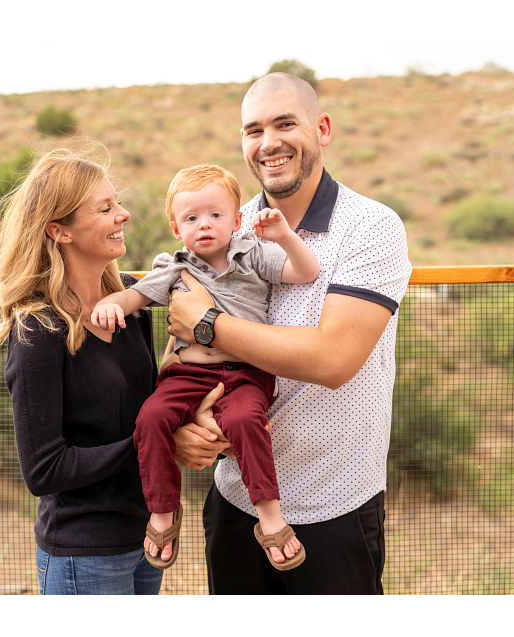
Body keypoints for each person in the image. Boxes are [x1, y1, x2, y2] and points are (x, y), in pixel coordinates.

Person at [167, 73, 413, 594]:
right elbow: (178, 347)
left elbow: (332, 360)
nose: (268, 143)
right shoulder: (223, 225)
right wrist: (186, 425)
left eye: (285, 124)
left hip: (337, 506)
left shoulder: (371, 227)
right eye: (253, 130)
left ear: (322, 128)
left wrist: (210, 325)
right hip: (235, 502)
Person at [0, 148, 220, 595]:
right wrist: (158, 441)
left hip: (147, 536)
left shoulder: (132, 300)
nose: (123, 214)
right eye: (105, 208)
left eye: (118, 203)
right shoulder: (38, 329)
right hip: (82, 553)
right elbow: (44, 470)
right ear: (59, 230)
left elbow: (148, 408)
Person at [90, 165, 319, 571]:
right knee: (152, 417)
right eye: (191, 218)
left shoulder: (253, 254)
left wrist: (284, 236)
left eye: (215, 215)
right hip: (188, 375)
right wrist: (113, 303)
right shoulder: (175, 266)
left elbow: (306, 272)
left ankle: (269, 516)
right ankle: (163, 510)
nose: (205, 224)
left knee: (247, 421)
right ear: (177, 229)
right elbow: (137, 296)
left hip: (247, 372)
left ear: (237, 220)